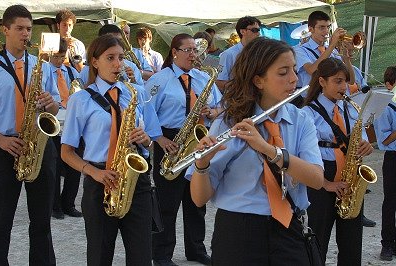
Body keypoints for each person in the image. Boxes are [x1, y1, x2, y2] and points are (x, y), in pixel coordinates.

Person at [189, 37, 324, 265]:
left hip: (289, 227)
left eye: (293, 69)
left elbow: (317, 179)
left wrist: (269, 150)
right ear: (259, 81)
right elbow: (199, 198)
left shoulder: (301, 120)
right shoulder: (228, 122)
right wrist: (201, 164)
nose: (294, 78)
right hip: (237, 231)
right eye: (283, 73)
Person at [60, 34, 162, 265]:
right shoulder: (81, 100)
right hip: (100, 180)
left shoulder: (136, 93)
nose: (118, 64)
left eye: (121, 58)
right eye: (110, 58)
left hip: (136, 182)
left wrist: (145, 139)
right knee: (99, 255)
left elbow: (151, 141)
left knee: (141, 255)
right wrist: (94, 173)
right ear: (94, 62)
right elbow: (66, 152)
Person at [145, 33, 222, 266]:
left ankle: (196, 249)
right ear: (174, 52)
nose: (192, 55)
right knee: (168, 202)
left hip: (197, 140)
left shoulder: (201, 77)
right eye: (187, 50)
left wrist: (212, 113)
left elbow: (220, 106)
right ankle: (161, 254)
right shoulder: (159, 79)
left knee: (196, 202)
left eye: (194, 50)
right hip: (170, 140)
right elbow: (147, 112)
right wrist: (159, 140)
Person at [0, 4, 60, 265]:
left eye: (29, 29)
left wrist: (50, 102)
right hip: (4, 147)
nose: (26, 34)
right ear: (5, 30)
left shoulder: (41, 66)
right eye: (20, 28)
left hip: (39, 146)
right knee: (1, 219)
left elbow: (57, 104)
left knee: (42, 219)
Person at [302, 57, 374, 265]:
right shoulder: (307, 113)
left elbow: (362, 137)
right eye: (338, 81)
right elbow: (302, 156)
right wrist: (326, 184)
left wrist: (366, 145)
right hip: (321, 179)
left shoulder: (350, 108)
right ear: (322, 82)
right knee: (317, 243)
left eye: (345, 81)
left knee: (352, 246)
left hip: (350, 179)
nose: (343, 87)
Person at [48, 37, 83, 219]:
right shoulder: (45, 70)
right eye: (57, 57)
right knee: (54, 165)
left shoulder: (70, 72)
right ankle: (54, 205)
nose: (60, 60)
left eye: (63, 57)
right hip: (53, 121)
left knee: (74, 165)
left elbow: (80, 92)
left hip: (70, 120)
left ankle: (68, 202)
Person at [294, 11, 355, 94]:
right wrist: (332, 45)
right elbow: (312, 70)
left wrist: (346, 57)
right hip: (312, 101)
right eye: (321, 27)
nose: (326, 31)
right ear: (310, 29)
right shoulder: (300, 50)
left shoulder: (332, 50)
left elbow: (350, 80)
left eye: (328, 27)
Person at [375, 66, 396, 261]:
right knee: (391, 202)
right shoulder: (386, 107)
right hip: (393, 158)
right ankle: (387, 244)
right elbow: (384, 141)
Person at [79, 24, 144, 87]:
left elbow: (142, 93)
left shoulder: (131, 66)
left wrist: (133, 82)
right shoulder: (87, 70)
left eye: (120, 40)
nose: (117, 44)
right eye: (110, 58)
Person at [215, 16, 261, 91]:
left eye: (259, 30)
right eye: (254, 30)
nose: (258, 34)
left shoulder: (260, 52)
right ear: (242, 31)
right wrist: (242, 89)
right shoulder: (228, 54)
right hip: (238, 99)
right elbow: (219, 82)